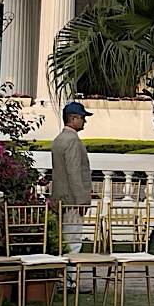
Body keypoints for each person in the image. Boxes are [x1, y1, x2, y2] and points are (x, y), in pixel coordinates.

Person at [50, 101, 93, 253]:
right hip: (72, 201)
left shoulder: (58, 139)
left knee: (62, 239)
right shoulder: (72, 140)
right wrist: (82, 201)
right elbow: (74, 172)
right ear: (73, 118)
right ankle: (71, 275)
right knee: (73, 240)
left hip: (60, 197)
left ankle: (64, 274)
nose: (84, 121)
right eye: (82, 117)